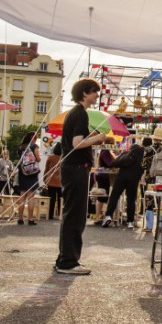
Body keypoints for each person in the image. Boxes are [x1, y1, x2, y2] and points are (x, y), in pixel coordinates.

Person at [54, 78, 112, 275]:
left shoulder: (75, 113)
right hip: (76, 167)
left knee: (72, 213)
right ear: (84, 93)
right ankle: (68, 261)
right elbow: (78, 143)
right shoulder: (80, 114)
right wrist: (97, 138)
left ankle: (65, 258)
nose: (97, 95)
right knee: (76, 215)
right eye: (94, 91)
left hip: (73, 167)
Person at [100, 138, 148, 229]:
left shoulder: (127, 154)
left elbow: (115, 163)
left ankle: (108, 216)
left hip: (121, 177)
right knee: (131, 200)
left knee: (114, 196)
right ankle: (130, 222)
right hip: (134, 180)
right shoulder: (143, 158)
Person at [15, 132, 42, 226]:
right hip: (32, 173)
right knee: (31, 197)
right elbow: (38, 159)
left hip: (23, 173)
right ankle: (30, 219)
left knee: (22, 196)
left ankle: (20, 219)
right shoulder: (34, 146)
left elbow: (20, 160)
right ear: (34, 138)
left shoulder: (21, 147)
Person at [42, 139, 63, 221]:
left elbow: (46, 169)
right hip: (60, 181)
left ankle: (50, 214)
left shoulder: (50, 157)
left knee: (51, 198)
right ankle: (59, 214)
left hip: (50, 180)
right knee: (61, 198)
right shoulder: (64, 158)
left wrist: (45, 178)